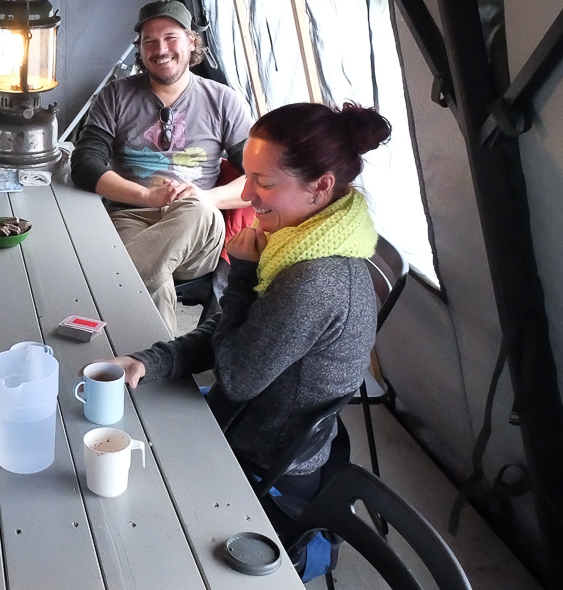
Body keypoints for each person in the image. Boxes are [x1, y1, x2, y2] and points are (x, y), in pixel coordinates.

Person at [93, 102, 391, 499]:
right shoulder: (301, 240)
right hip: (239, 422)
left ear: (320, 185)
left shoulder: (313, 280)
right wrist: (150, 361)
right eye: (248, 178)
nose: (247, 195)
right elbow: (244, 333)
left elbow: (235, 375)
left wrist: (242, 273)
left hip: (260, 465)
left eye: (263, 182)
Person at [70, 0, 253, 336]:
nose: (160, 49)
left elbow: (260, 180)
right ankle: (158, 374)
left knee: (195, 210)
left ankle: (93, 287)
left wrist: (205, 196)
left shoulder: (224, 100)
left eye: (171, 37)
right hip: (131, 219)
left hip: (199, 228)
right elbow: (84, 164)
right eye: (149, 41)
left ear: (191, 42)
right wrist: (146, 196)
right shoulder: (115, 96)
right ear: (139, 49)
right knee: (154, 281)